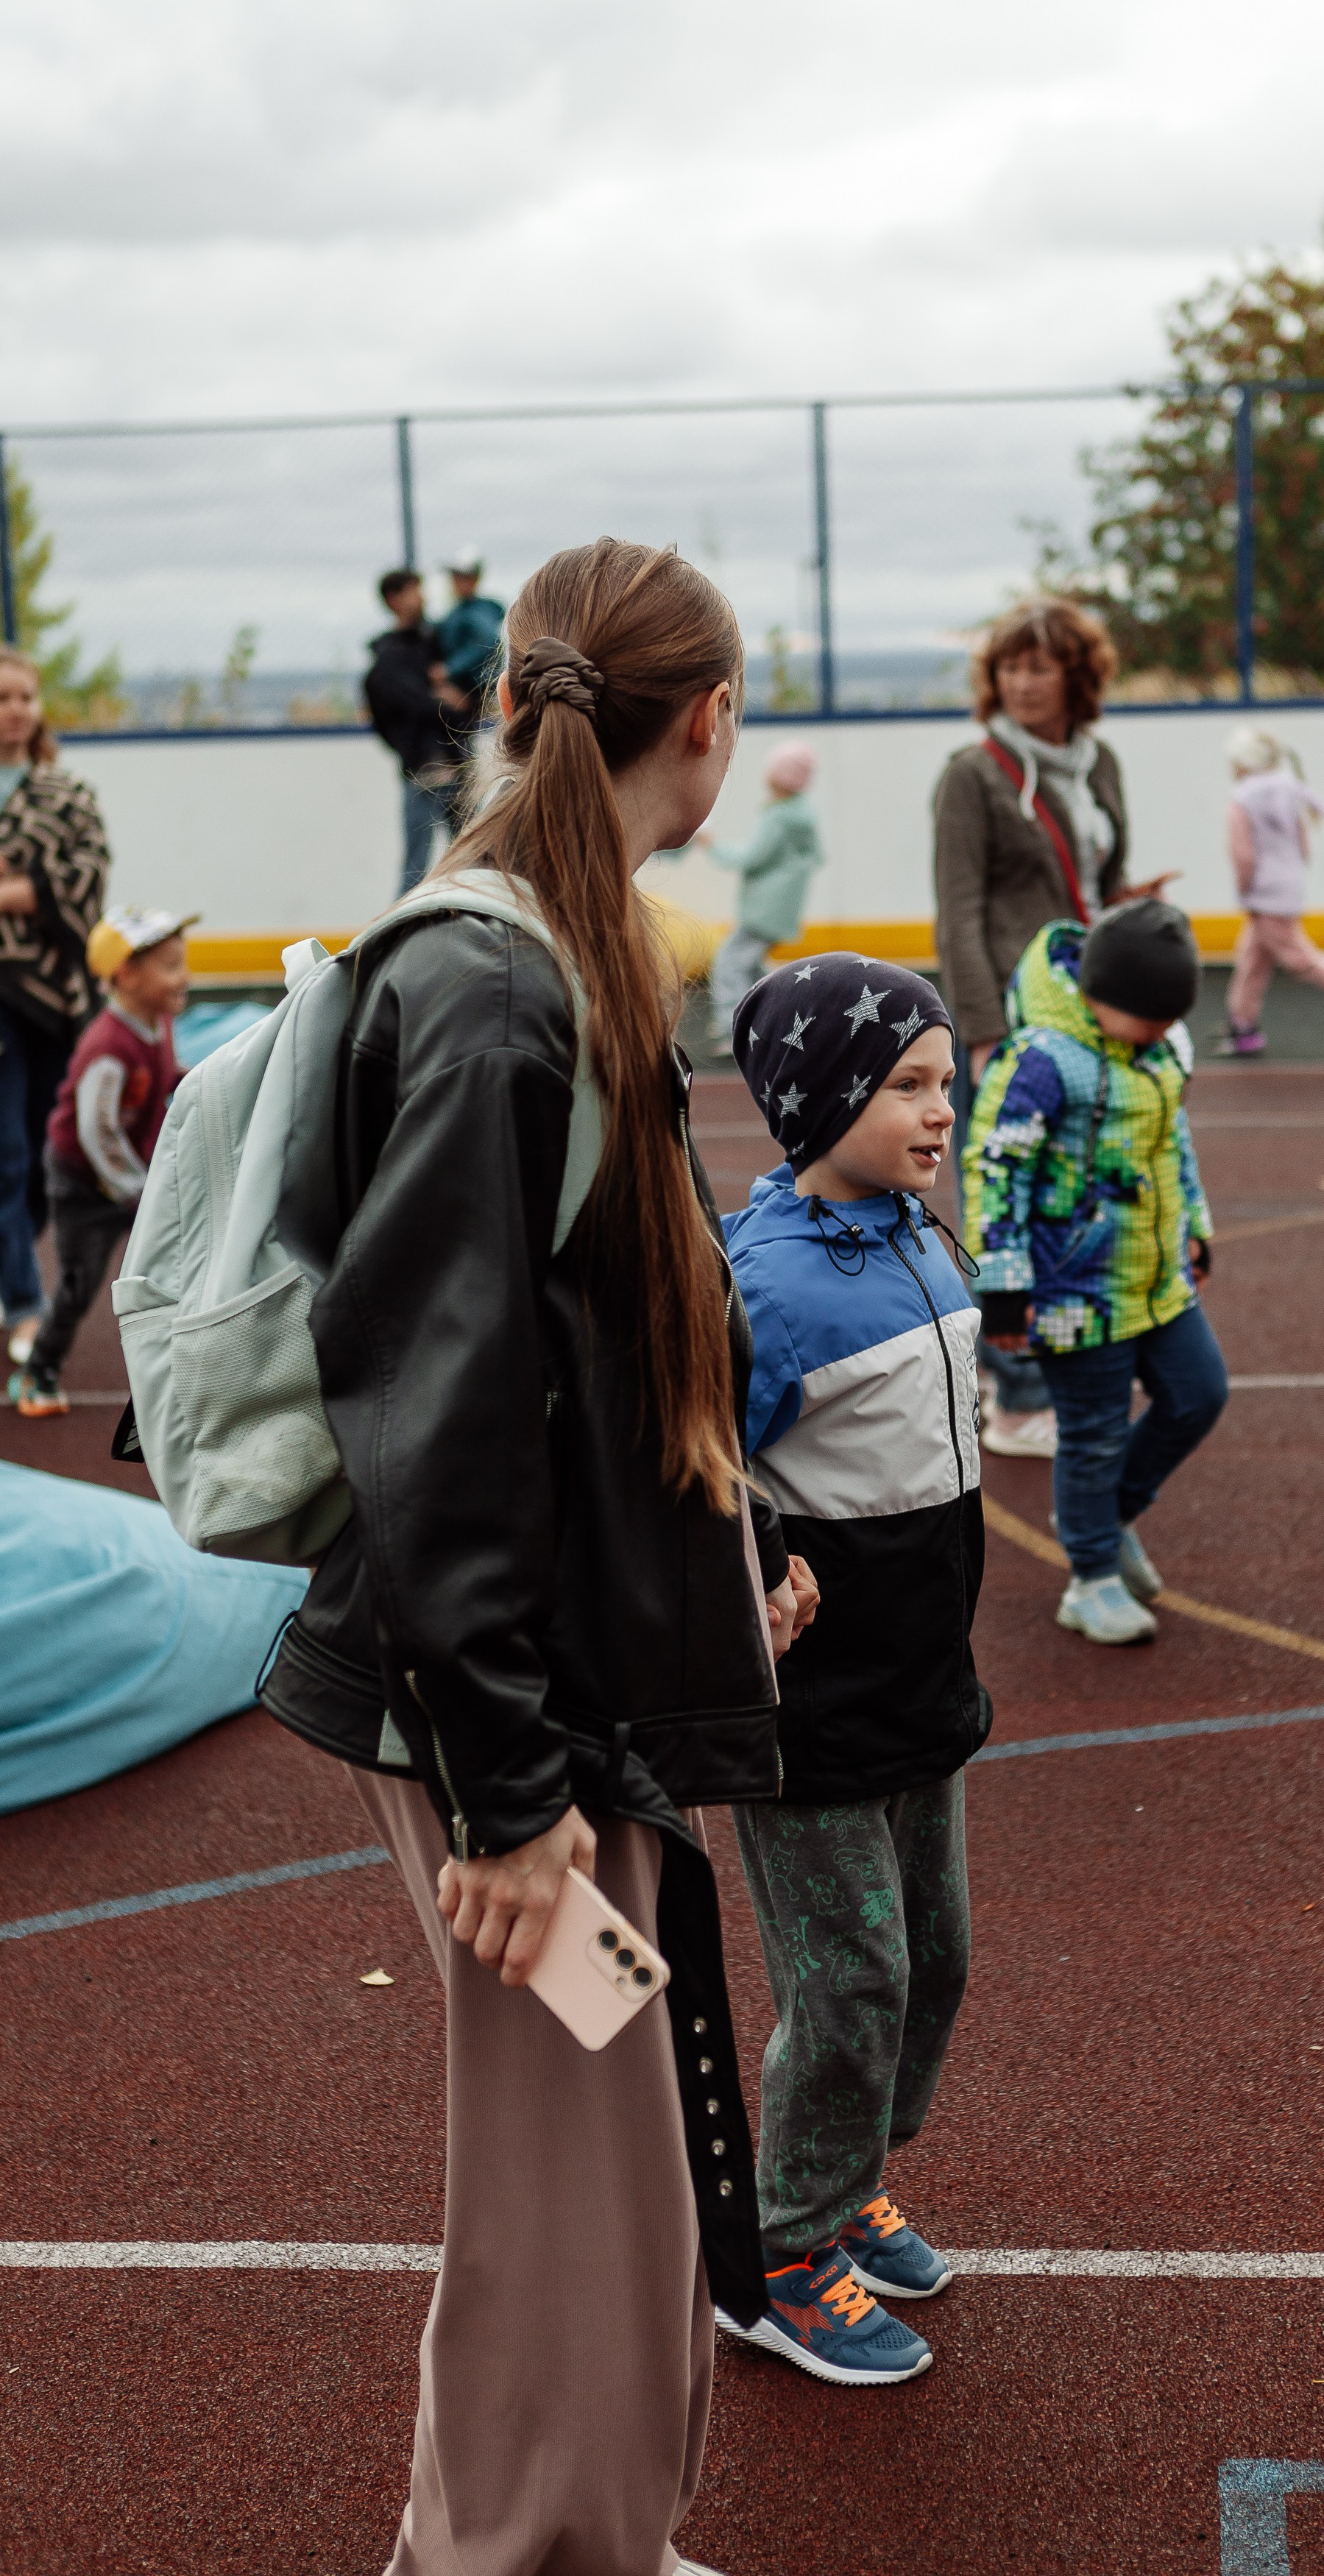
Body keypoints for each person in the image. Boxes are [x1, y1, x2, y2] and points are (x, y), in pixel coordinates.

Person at [259, 537, 819, 2576]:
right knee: (568, 2200)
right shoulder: (495, 987)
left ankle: (560, 2537)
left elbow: (583, 1359)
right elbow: (433, 1422)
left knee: (622, 2184)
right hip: (512, 1736)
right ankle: (513, 2551)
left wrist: (709, 1569)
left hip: (573, 1692)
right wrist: (512, 1799)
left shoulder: (566, 954)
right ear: (707, 718)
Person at [718, 953, 986, 2388]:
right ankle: (776, 2251)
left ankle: (846, 2172)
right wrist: (757, 1568)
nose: (939, 1112)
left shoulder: (917, 1234)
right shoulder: (755, 1286)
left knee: (931, 1959)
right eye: (907, 1087)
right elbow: (684, 1471)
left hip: (918, 1688)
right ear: (821, 1096)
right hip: (810, 1711)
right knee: (850, 1981)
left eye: (945, 1081)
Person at [933, 599, 1168, 1464]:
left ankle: (1017, 1370)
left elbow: (1092, 883)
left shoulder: (1096, 761)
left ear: (1078, 674)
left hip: (1078, 1008)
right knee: (1004, 1204)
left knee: (1067, 1195)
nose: (1022, 681)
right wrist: (985, 1031)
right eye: (1009, 667)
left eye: (1040, 666)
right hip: (1009, 1016)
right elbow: (957, 912)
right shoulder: (972, 773)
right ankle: (1014, 1392)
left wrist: (1129, 902)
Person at [964, 899, 1227, 1646]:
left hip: (1154, 1278)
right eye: (1147, 1017)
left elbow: (1174, 1144)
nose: (1159, 1033)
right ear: (1098, 994)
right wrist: (1004, 1285)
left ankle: (1107, 1517)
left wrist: (1196, 1229)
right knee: (1091, 1432)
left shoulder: (1154, 1052)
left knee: (1198, 1393)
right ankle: (1089, 1577)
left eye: (1168, 1020)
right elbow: (994, 1166)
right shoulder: (1041, 1059)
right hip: (1070, 1292)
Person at [10, 909, 191, 1418]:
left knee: (177, 1264)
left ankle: (182, 1372)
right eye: (171, 966)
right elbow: (98, 1131)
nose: (186, 977)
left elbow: (160, 1074)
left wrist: (187, 1079)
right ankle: (39, 1372)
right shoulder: (108, 1046)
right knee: (78, 1285)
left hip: (130, 1178)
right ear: (126, 976)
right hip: (86, 1186)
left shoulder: (159, 1022)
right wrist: (139, 1188)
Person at [0, 645, 112, 1373]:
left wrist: (20, 885)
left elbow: (87, 880)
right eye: (4, 697)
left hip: (55, 996)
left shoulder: (68, 791)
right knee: (6, 1154)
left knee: (45, 1157)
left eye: (26, 697)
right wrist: (26, 884)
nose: (17, 710)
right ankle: (24, 1303)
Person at [1215, 726, 1324, 1055]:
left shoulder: (1241, 801)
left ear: (1244, 763)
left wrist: (1245, 889)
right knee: (1253, 958)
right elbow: (1303, 844)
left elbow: (1242, 855)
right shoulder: (1289, 791)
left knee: (1297, 958)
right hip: (1286, 886)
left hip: (1262, 891)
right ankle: (1243, 1022)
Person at [694, 740, 824, 1044]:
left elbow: (752, 857)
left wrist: (713, 847)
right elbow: (814, 857)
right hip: (779, 908)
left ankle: (734, 1028)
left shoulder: (779, 818)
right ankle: (785, 1014)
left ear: (778, 778)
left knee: (728, 963)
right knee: (753, 967)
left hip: (765, 909)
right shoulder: (801, 815)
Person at [362, 568, 467, 893]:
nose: (422, 597)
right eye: (413, 590)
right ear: (394, 599)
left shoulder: (434, 642)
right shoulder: (389, 659)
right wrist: (444, 703)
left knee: (477, 860)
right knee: (415, 870)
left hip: (458, 767)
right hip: (422, 771)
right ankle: (397, 939)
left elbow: (460, 699)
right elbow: (408, 708)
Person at [438, 547, 507, 720]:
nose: (457, 582)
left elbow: (486, 640)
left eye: (464, 577)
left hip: (478, 691)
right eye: (455, 576)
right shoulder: (458, 612)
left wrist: (448, 669)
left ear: (476, 578)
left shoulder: (478, 611)